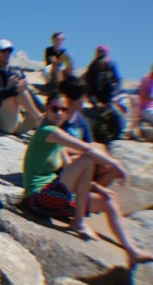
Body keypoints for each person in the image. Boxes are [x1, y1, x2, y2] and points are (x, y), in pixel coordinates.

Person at [22, 92, 153, 267]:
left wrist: (98, 188)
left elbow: (74, 176)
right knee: (88, 157)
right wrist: (115, 164)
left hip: (55, 199)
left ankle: (133, 251)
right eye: (55, 109)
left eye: (63, 110)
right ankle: (79, 221)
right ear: (47, 110)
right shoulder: (48, 131)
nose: (59, 113)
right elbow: (87, 149)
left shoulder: (58, 142)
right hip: (38, 199)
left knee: (109, 199)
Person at [59, 76, 123, 184]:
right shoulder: (58, 118)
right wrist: (86, 151)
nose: (83, 100)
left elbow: (91, 143)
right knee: (92, 158)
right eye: (81, 97)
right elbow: (58, 149)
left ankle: (89, 192)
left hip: (81, 159)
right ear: (70, 100)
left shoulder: (81, 120)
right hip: (63, 163)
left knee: (113, 169)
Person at [0, 39, 42, 135]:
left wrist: (43, 109)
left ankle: (41, 118)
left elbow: (29, 93)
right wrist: (10, 88)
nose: (7, 53)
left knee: (51, 114)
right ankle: (39, 118)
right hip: (0, 121)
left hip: (17, 121)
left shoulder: (15, 72)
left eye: (9, 51)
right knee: (18, 90)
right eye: (4, 51)